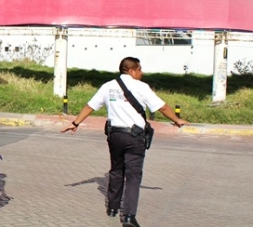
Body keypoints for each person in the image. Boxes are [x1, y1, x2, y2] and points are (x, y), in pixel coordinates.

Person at [61, 57, 190, 227]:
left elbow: (90, 106)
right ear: (131, 70)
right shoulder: (141, 87)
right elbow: (162, 107)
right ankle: (128, 216)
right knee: (133, 175)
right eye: (139, 69)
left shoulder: (108, 86)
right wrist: (177, 120)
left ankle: (112, 208)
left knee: (116, 170)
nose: (141, 72)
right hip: (134, 137)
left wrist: (75, 123)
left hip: (114, 136)